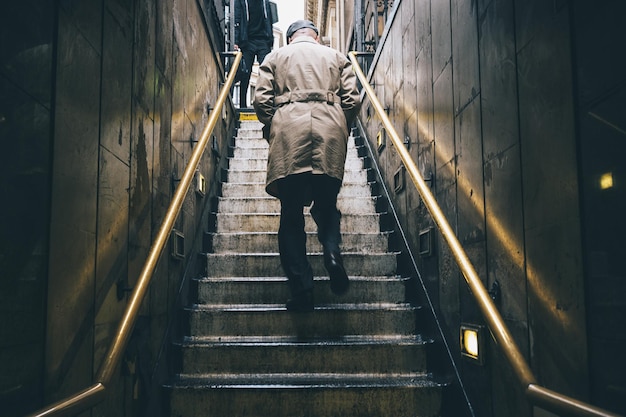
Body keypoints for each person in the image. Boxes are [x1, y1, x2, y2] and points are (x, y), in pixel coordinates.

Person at [253, 20, 361, 312]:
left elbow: (261, 100)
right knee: (326, 205)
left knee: (291, 215)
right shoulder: (337, 57)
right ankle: (332, 253)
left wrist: (273, 126)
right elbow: (352, 99)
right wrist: (339, 126)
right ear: (314, 36)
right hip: (329, 133)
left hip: (290, 134)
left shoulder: (275, 57)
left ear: (290, 38)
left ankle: (302, 290)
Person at [233, 0, 275, 108]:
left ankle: (267, 103)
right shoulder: (241, 1)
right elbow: (237, 18)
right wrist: (236, 41)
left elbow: (269, 18)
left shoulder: (265, 2)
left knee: (267, 71)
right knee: (245, 72)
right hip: (247, 40)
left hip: (263, 40)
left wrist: (270, 40)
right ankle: (242, 104)